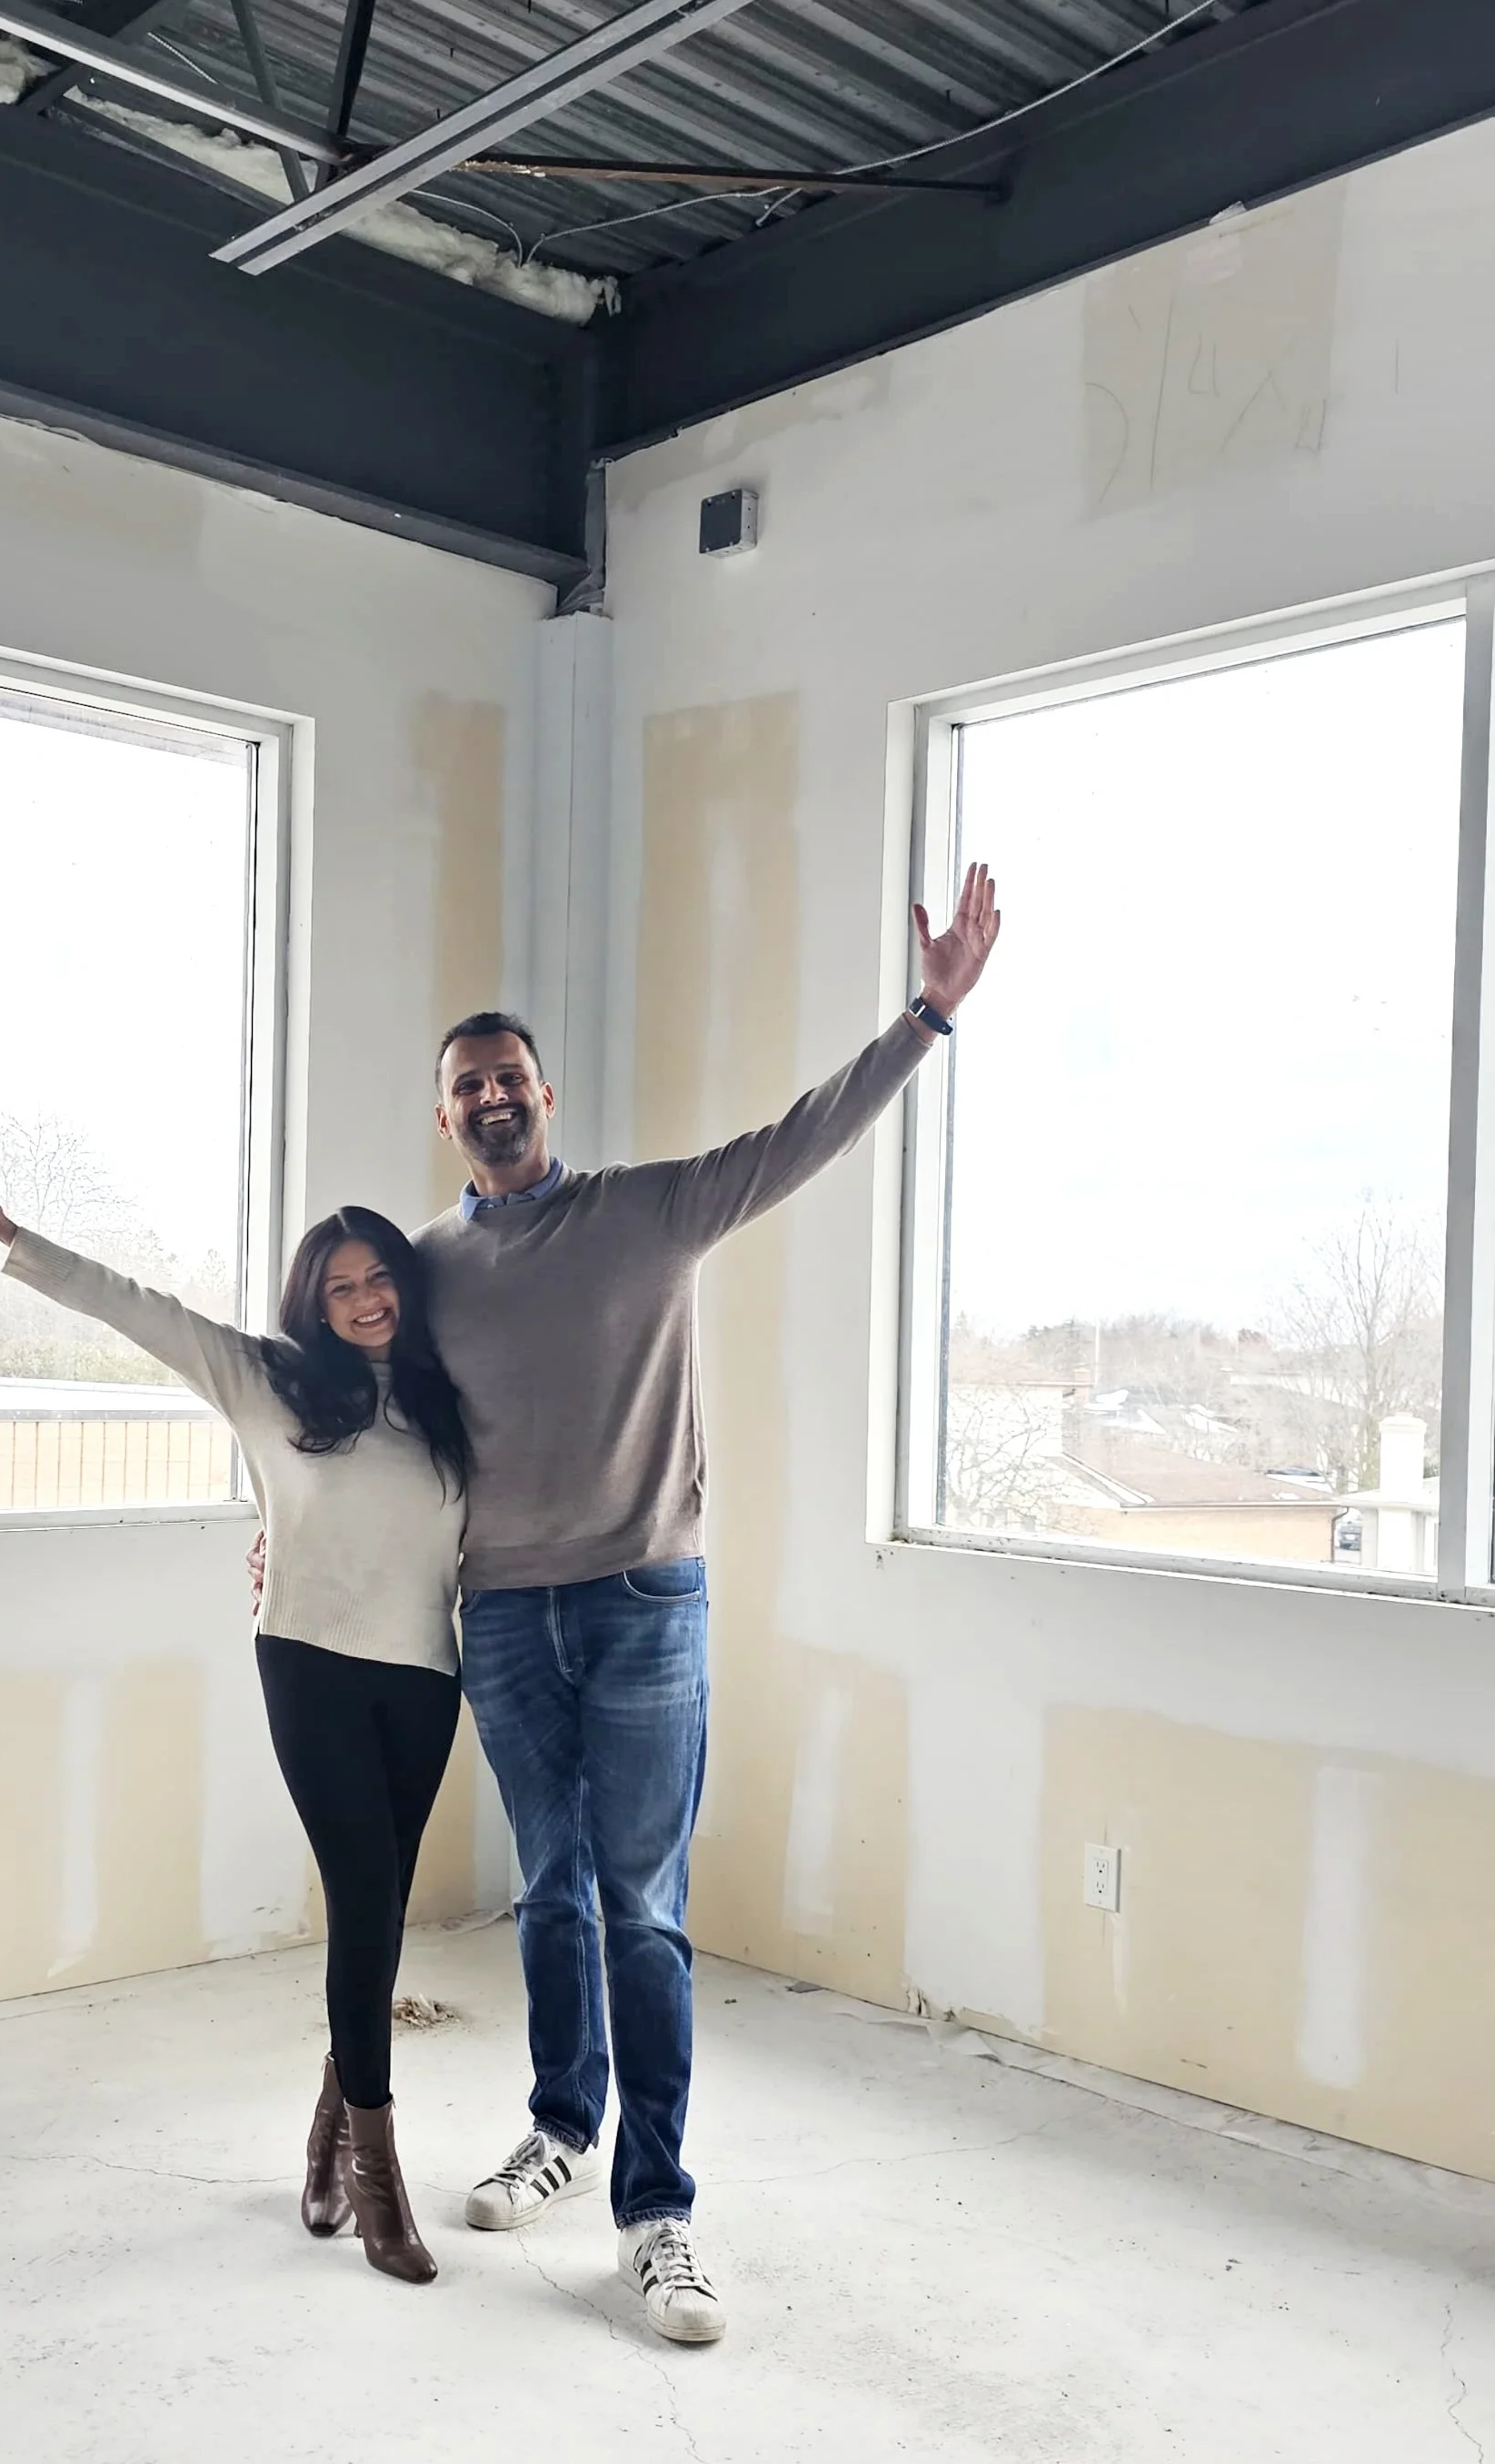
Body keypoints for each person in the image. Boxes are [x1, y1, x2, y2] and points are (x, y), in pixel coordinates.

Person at [414, 860, 1002, 2347]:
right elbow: (361, 1426)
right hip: (502, 1617)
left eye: (512, 1075)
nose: (494, 1096)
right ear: (446, 1116)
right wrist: (281, 1539)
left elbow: (807, 1135)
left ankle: (655, 2208)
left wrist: (926, 1016)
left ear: (547, 1096)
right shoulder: (424, 1270)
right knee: (548, 1891)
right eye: (469, 1083)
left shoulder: (649, 1212)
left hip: (643, 1607)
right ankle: (561, 2125)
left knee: (641, 1909)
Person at [0, 1182, 469, 2289]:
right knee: (362, 1900)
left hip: (425, 1675)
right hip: (310, 1660)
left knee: (381, 1913)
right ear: (312, 1301)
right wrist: (17, 1236)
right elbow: (140, 1307)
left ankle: (330, 2128)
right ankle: (378, 2174)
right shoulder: (268, 1376)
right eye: (338, 1285)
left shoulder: (447, 1397)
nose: (363, 1298)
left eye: (377, 1278)